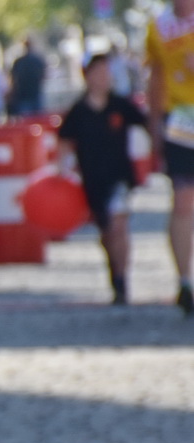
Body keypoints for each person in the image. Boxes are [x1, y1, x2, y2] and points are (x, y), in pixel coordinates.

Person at [61, 53, 150, 305]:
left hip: (119, 176)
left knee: (118, 225)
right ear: (87, 76)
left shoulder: (120, 105)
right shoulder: (78, 111)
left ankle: (123, 280)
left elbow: (146, 124)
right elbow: (65, 141)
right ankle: (115, 274)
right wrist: (61, 172)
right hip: (92, 181)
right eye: (98, 73)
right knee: (107, 232)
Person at [144, 0, 194, 316]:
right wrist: (153, 128)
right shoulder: (158, 27)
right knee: (182, 200)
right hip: (179, 121)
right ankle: (184, 281)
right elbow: (155, 77)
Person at [8, 38, 46, 117]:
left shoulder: (19, 62)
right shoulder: (37, 60)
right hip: (32, 94)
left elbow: (13, 78)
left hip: (24, 95)